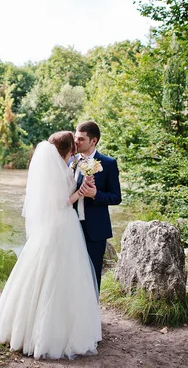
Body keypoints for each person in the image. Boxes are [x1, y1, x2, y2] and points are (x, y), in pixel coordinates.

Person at [0, 131, 101, 360]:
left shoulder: (56, 168)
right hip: (63, 227)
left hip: (51, 228)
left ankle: (24, 329)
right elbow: (61, 202)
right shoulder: (60, 172)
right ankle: (55, 334)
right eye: (73, 147)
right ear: (69, 150)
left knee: (43, 272)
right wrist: (78, 193)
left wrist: (84, 184)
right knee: (63, 276)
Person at [73, 121, 122, 292]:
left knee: (93, 273)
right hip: (70, 226)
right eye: (75, 138)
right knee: (71, 272)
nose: (76, 142)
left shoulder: (108, 164)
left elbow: (116, 197)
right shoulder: (70, 161)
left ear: (93, 141)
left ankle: (91, 315)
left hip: (95, 229)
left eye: (80, 139)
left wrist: (95, 195)